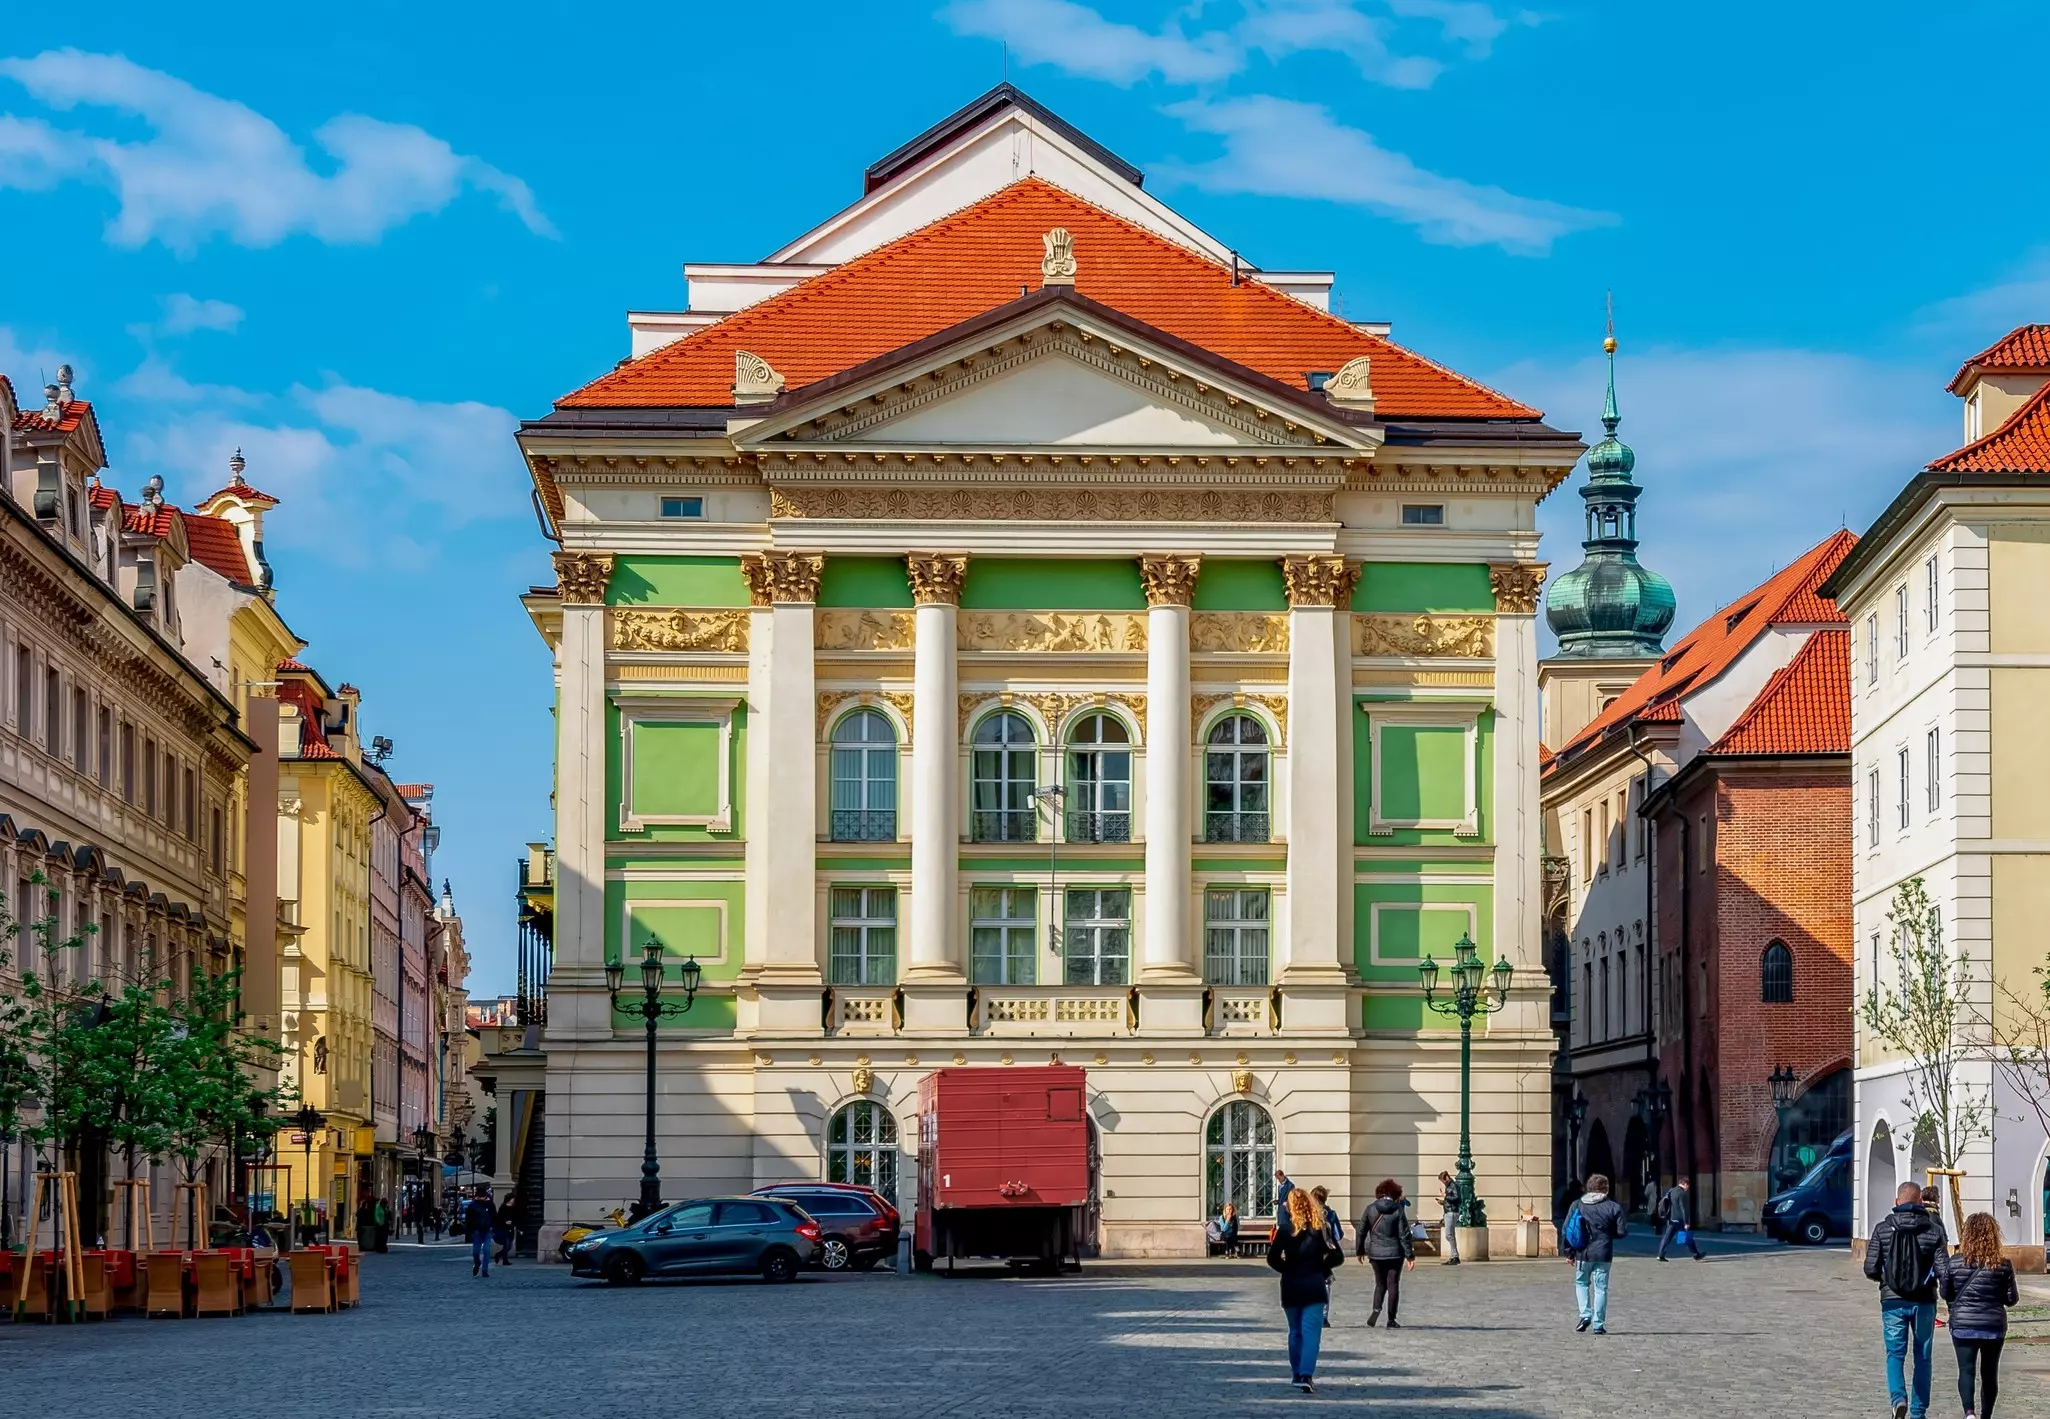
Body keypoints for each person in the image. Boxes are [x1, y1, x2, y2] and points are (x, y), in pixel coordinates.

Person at [1863, 1180, 1947, 1419]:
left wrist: (1888, 1280)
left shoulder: (1882, 1229)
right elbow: (1943, 1270)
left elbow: (1870, 1268)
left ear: (1896, 1201)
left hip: (1892, 1301)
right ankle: (1918, 1413)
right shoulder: (1934, 1231)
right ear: (1921, 1201)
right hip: (1924, 1302)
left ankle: (1898, 1399)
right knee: (1922, 1356)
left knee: (1895, 1354)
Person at [1943, 1211, 2018, 1419]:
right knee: (1989, 1373)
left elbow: (1945, 1292)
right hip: (1993, 1327)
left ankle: (1969, 1413)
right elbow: (2011, 1299)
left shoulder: (1955, 1262)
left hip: (1963, 1325)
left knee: (1966, 1370)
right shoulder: (2002, 1265)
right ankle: (1986, 1415)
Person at [1268, 1185, 1342, 1394]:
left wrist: (1288, 1269)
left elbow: (1272, 1258)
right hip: (1314, 1285)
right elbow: (1338, 1256)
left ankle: (1296, 1373)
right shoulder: (1321, 1228)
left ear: (1291, 1206)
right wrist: (1321, 1268)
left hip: (1291, 1285)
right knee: (1311, 1334)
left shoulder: (1284, 1229)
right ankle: (1306, 1374)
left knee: (1295, 1332)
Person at [1563, 1172, 1627, 1335]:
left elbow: (1567, 1230)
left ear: (1588, 1188)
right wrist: (1607, 1232)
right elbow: (1621, 1232)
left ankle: (1585, 1314)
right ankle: (1599, 1324)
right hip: (1604, 1253)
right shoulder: (1613, 1207)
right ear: (1606, 1189)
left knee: (1581, 1283)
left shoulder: (1577, 1205)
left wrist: (1569, 1253)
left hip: (1582, 1252)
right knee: (1601, 1288)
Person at [1356, 1178, 1416, 1328]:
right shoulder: (1397, 1209)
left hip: (1376, 1253)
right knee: (1393, 1283)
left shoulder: (1370, 1209)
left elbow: (1361, 1230)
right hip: (1395, 1253)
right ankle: (1391, 1319)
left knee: (1380, 1283)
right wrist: (1410, 1255)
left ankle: (1376, 1309)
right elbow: (1404, 1234)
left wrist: (1360, 1250)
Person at [1311, 1186, 1344, 1326]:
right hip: (1327, 1254)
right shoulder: (1331, 1214)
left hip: (1312, 1254)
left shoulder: (1309, 1215)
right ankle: (1323, 1317)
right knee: (1325, 1285)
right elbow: (1339, 1235)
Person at [1655, 1177, 1705, 1261]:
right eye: (1687, 1186)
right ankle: (1696, 1254)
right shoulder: (1682, 1194)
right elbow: (1684, 1209)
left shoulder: (1672, 1191)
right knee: (1687, 1237)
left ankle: (1660, 1255)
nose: (1687, 1188)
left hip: (1671, 1219)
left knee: (1667, 1237)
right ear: (1685, 1184)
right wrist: (1686, 1222)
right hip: (1679, 1220)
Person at [464, 1190, 495, 1277]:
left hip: (487, 1230)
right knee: (476, 1252)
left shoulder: (489, 1205)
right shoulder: (472, 1206)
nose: (481, 1198)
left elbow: (494, 1216)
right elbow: (468, 1220)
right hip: (477, 1230)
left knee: (486, 1250)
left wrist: (492, 1226)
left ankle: (484, 1270)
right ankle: (477, 1263)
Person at [1437, 1170, 1462, 1265]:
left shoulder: (1453, 1185)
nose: (1443, 1183)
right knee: (1451, 1235)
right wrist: (1443, 1202)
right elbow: (1452, 1199)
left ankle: (1455, 1256)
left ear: (1446, 1177)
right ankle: (1453, 1256)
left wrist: (1445, 1196)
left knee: (1448, 1235)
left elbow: (1457, 1198)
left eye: (1443, 1181)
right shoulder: (1450, 1186)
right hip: (1449, 1211)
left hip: (1451, 1212)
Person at [494, 1191, 520, 1267]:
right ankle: (505, 1260)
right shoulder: (503, 1208)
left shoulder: (514, 1208)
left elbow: (516, 1218)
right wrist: (505, 1222)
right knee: (506, 1244)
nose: (513, 1200)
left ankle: (498, 1255)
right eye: (512, 1199)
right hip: (503, 1228)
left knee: (509, 1246)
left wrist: (513, 1223)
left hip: (510, 1228)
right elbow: (499, 1218)